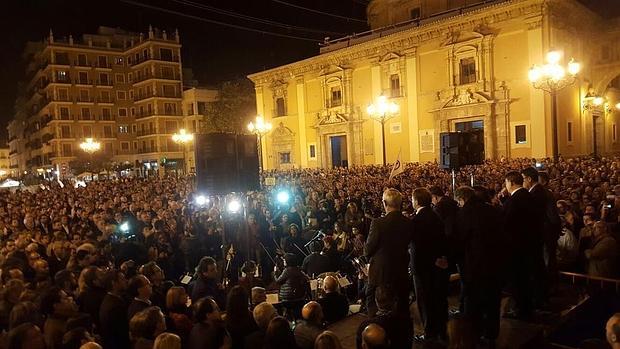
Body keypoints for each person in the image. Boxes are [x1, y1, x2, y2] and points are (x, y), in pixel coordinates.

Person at [455, 186, 504, 347]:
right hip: (495, 264)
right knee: (492, 301)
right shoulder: (493, 210)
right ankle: (491, 334)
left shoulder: (465, 213)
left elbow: (460, 240)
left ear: (462, 199)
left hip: (473, 266)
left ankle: (474, 335)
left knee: (474, 303)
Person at [364, 188, 411, 317]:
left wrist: (368, 260)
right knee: (401, 302)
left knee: (372, 298)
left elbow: (369, 248)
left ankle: (375, 329)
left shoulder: (378, 223)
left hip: (381, 272)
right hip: (401, 269)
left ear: (384, 203)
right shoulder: (408, 222)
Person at [410, 187, 449, 342]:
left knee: (424, 302)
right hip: (436, 266)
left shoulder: (416, 221)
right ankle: (441, 330)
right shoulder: (435, 215)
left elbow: (419, 246)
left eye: (412, 199)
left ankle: (429, 332)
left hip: (422, 267)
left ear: (417, 201)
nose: (411, 202)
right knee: (437, 298)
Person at [502, 171, 536, 320]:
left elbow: (507, 223)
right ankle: (525, 308)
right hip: (528, 243)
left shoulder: (514, 200)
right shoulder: (528, 196)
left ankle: (520, 310)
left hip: (516, 247)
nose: (506, 186)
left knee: (518, 280)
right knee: (525, 279)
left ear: (511, 182)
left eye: (506, 183)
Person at [99, 270, 130, 349]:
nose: (126, 281)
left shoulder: (111, 299)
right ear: (113, 283)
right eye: (122, 279)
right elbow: (121, 334)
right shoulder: (115, 307)